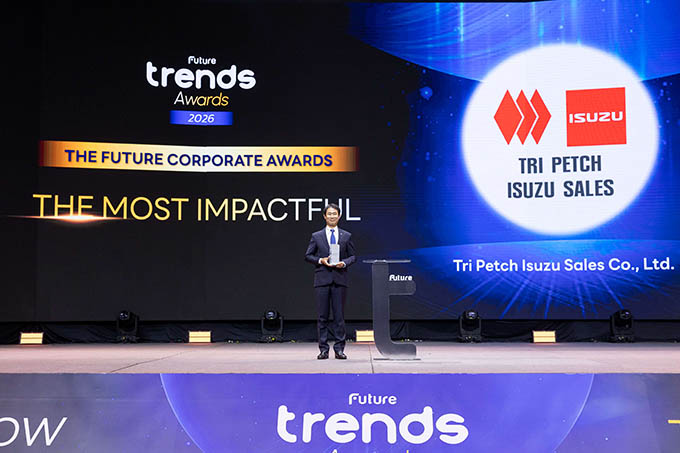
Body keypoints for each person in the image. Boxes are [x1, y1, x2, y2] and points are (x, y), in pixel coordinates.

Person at [304, 203, 356, 359]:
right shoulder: (316, 236)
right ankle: (323, 349)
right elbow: (308, 256)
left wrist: (344, 263)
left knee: (339, 317)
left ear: (339, 216)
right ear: (325, 216)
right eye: (329, 214)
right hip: (322, 279)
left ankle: (339, 349)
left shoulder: (346, 235)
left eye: (335, 214)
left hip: (340, 279)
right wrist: (321, 260)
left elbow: (353, 256)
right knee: (322, 317)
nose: (332, 216)